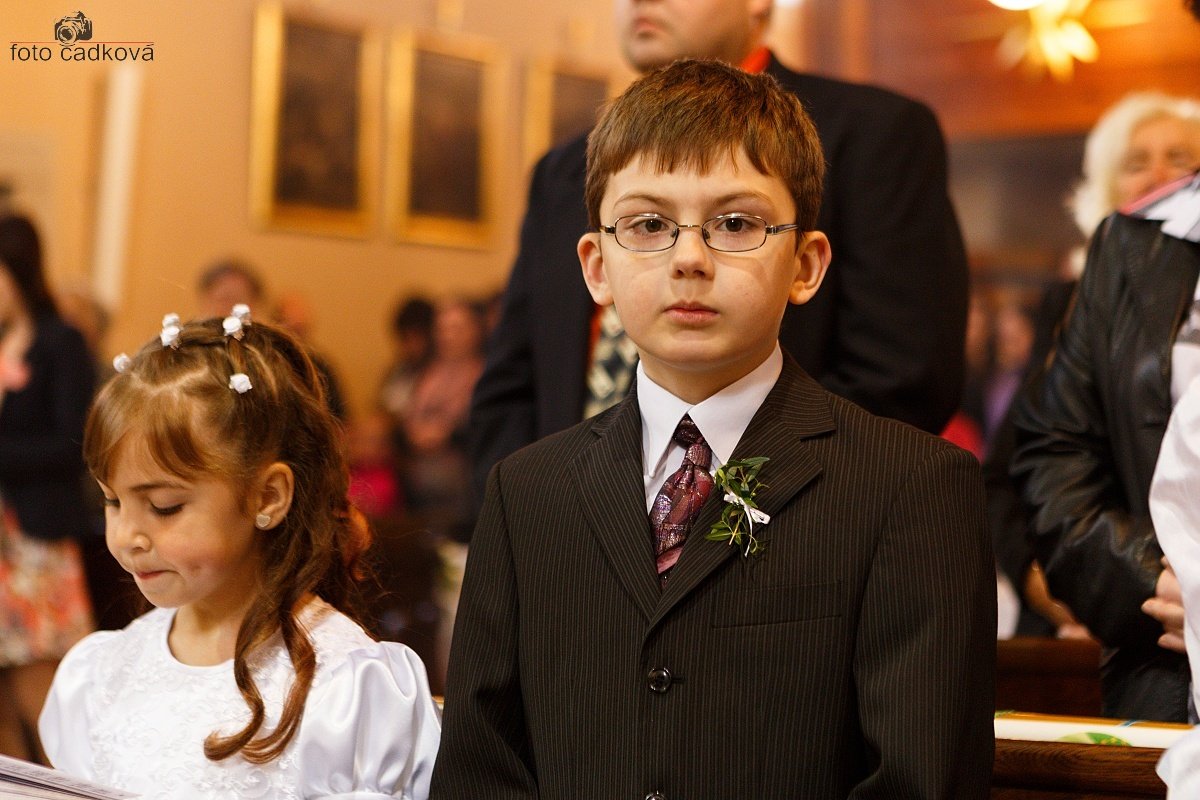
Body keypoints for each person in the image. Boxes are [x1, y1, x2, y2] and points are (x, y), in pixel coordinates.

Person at [430, 60, 995, 800]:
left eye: (736, 224)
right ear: (596, 267)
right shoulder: (527, 492)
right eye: (649, 225)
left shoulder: (909, 488)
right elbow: (482, 767)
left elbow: (921, 780)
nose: (690, 258)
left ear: (806, 264)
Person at [467, 0, 969, 516]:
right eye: (649, 224)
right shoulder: (561, 171)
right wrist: (532, 517)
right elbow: (512, 384)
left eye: (734, 224)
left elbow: (900, 378)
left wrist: (704, 517)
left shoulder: (872, 132)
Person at [38, 310, 441, 798]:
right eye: (113, 501)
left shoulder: (346, 690)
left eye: (164, 507)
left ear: (267, 497)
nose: (128, 536)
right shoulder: (100, 675)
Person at [0, 215, 96, 762]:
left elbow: (74, 442)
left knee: (41, 694)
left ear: (18, 272)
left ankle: (67, 789)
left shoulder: (61, 342)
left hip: (33, 541)